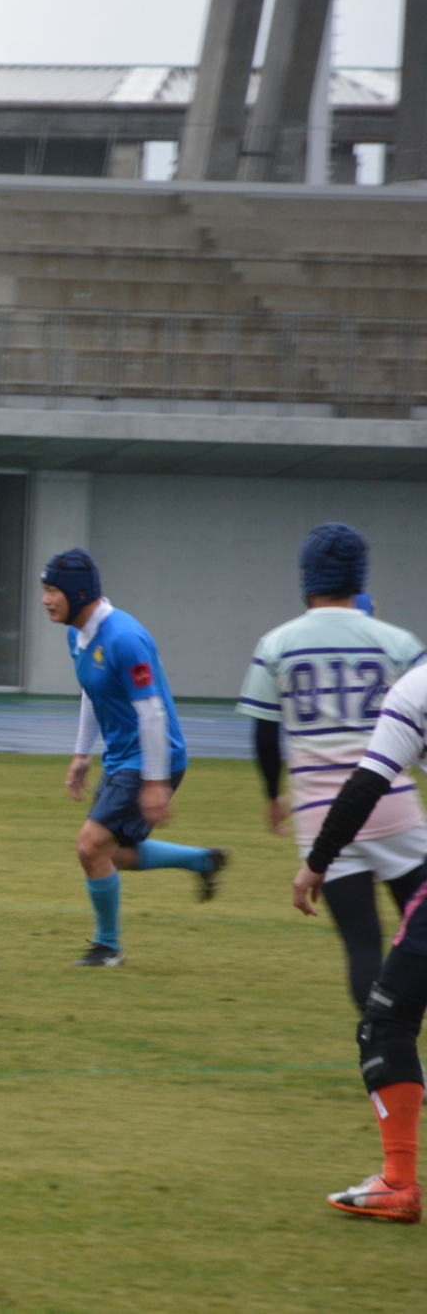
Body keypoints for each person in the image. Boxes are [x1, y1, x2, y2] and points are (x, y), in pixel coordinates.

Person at [241, 524, 425, 1012]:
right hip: (391, 804)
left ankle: (379, 1045)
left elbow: (264, 735)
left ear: (306, 577)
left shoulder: (275, 644)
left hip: (320, 815)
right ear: (359, 578)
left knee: (362, 946)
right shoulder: (398, 641)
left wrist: (272, 795)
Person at [41, 549, 228, 967]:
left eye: (52, 590)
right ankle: (202, 860)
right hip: (123, 757)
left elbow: (152, 712)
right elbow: (92, 692)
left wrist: (156, 783)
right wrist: (82, 753)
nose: (45, 600)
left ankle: (108, 947)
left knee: (90, 846)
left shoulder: (125, 639)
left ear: (77, 592)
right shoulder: (77, 635)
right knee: (114, 854)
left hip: (149, 758)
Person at [293, 660, 427, 1223]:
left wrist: (316, 862)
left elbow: (368, 783)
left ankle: (398, 1181)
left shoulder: (417, 686)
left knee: (386, 1020)